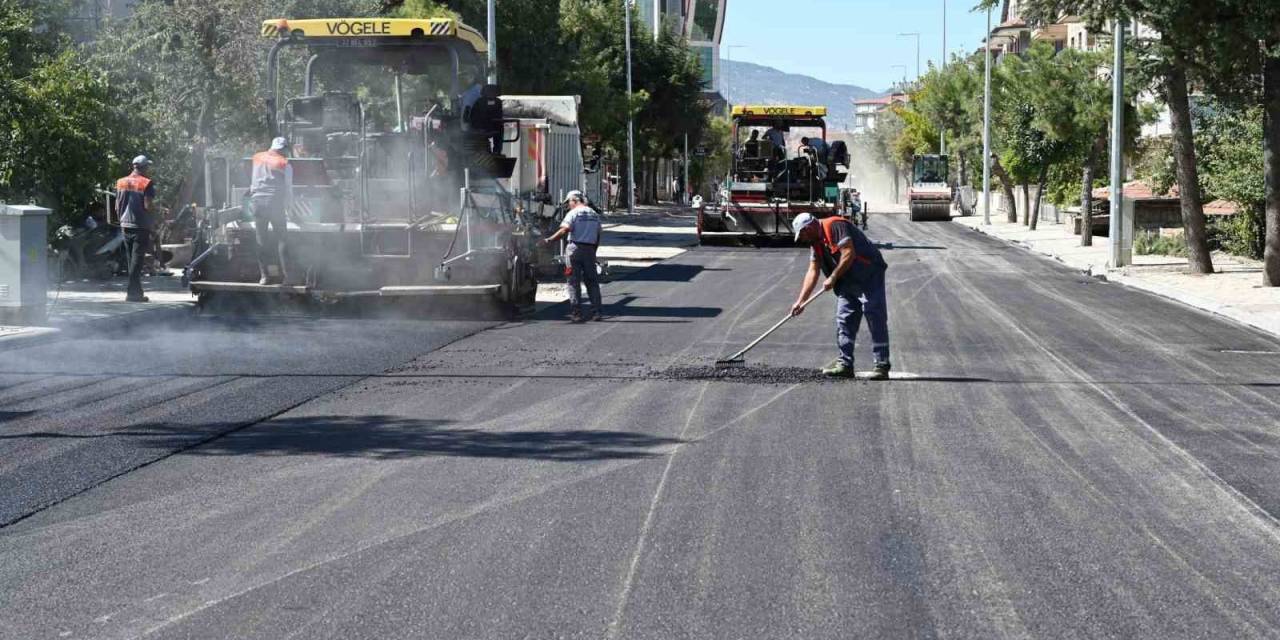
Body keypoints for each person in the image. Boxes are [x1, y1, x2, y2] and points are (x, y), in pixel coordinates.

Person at [789, 212, 890, 380]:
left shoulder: (835, 226)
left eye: (803, 234)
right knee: (844, 319)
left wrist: (833, 277)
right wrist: (801, 301)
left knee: (874, 315)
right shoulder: (816, 243)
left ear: (809, 227)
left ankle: (882, 365)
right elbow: (813, 270)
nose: (803, 238)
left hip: (868, 274)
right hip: (847, 280)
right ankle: (845, 365)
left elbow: (848, 252)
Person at [543, 190, 603, 322]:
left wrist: (549, 240)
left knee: (573, 282)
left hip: (574, 249)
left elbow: (564, 230)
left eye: (569, 202)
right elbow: (598, 235)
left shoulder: (573, 213)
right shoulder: (594, 214)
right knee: (592, 281)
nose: (568, 205)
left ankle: (576, 313)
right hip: (590, 250)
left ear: (575, 200)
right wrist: (593, 251)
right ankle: (597, 312)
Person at [250, 137, 294, 285]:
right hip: (274, 202)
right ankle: (287, 278)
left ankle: (264, 276)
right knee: (282, 240)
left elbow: (254, 180)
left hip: (257, 202)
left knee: (261, 240)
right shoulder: (285, 163)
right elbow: (288, 189)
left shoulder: (256, 158)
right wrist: (290, 208)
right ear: (283, 149)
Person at [115, 155, 156, 302]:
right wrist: (156, 216)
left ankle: (136, 292)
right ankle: (132, 293)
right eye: (148, 167)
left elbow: (117, 205)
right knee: (137, 261)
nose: (149, 170)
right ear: (143, 167)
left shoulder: (121, 182)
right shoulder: (146, 183)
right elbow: (148, 206)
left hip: (125, 225)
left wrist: (120, 220)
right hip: (140, 225)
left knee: (131, 260)